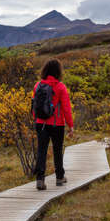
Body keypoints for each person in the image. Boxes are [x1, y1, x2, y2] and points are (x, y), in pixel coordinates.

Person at [33, 58, 74, 190]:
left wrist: (36, 120)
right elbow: (66, 108)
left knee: (41, 151)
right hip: (57, 125)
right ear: (58, 71)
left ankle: (40, 180)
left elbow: (35, 105)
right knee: (57, 150)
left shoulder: (37, 86)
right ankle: (59, 177)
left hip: (40, 123)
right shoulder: (60, 87)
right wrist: (70, 125)